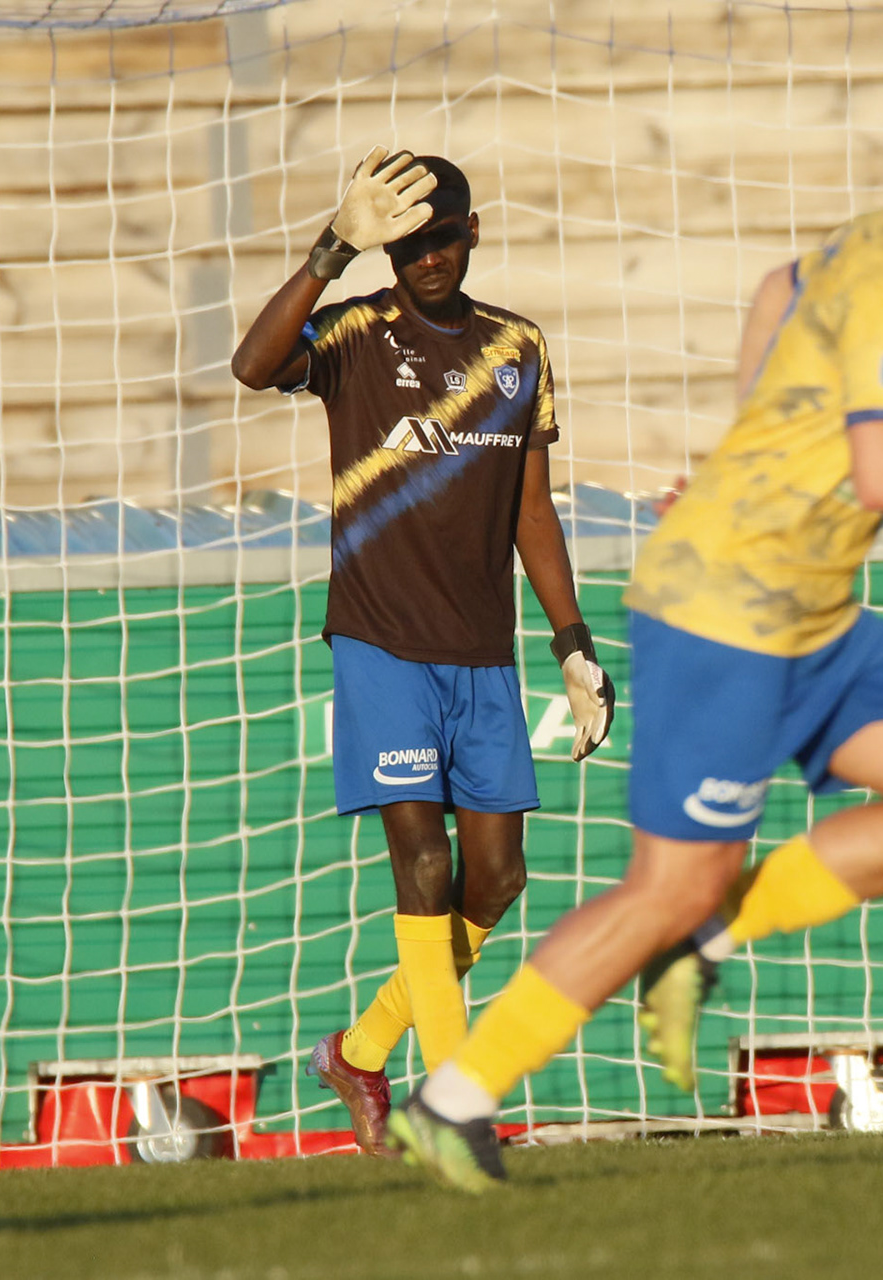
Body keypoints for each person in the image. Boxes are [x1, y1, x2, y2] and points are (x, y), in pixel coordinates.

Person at [387, 62, 883, 1191]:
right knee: (666, 884)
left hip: (815, 609)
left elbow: (776, 287)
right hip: (726, 610)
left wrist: (742, 456)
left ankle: (706, 939)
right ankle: (452, 1100)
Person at [231, 149, 615, 1156]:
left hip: (484, 653)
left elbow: (532, 507)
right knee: (425, 861)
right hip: (382, 643)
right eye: (405, 244)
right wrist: (331, 249)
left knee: (498, 878)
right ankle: (454, 1105)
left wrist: (571, 640)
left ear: (472, 233)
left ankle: (359, 1051)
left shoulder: (517, 347)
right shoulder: (356, 332)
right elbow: (252, 365)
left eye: (441, 237)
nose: (426, 257)